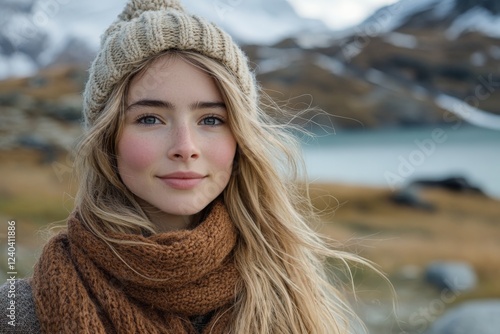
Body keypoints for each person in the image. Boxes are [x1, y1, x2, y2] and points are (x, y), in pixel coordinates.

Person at [1, 0, 378, 333]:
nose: (185, 147)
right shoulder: (19, 313)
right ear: (107, 137)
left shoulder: (291, 289)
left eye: (211, 120)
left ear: (240, 137)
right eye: (150, 118)